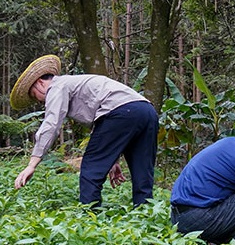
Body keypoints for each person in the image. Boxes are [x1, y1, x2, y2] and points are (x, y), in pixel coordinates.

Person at [10, 54, 159, 206]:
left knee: (91, 169)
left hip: (120, 113)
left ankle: (90, 215)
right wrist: (113, 160)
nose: (40, 101)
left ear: (40, 82)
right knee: (143, 171)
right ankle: (145, 213)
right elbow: (102, 122)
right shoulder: (76, 83)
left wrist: (31, 165)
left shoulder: (57, 86)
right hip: (147, 111)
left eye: (35, 96)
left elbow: (51, 123)